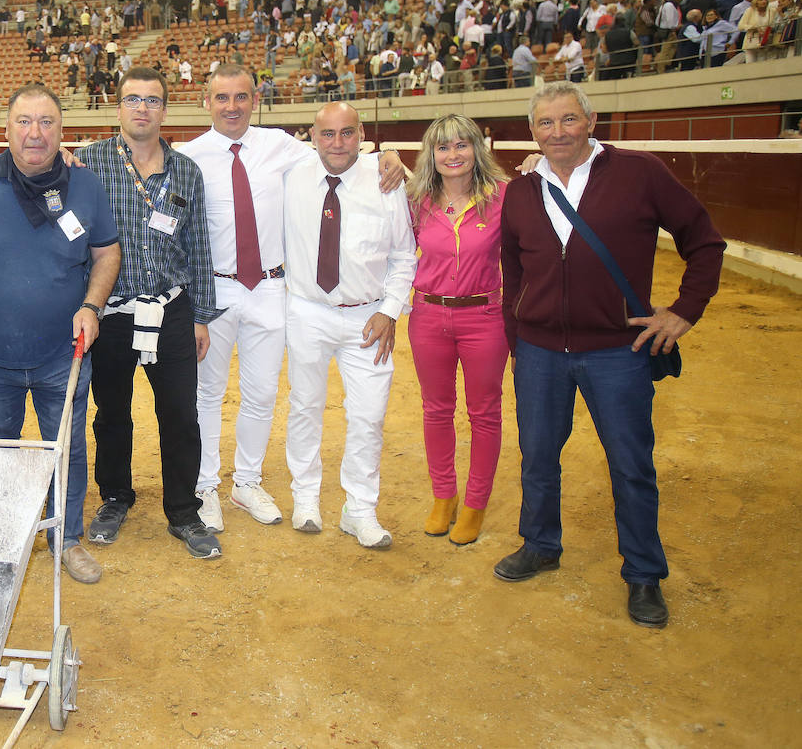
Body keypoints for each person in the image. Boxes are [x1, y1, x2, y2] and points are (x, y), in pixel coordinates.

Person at [495, 82, 725, 628]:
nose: (558, 132)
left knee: (630, 466)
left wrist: (684, 311)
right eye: (546, 124)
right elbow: (514, 272)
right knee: (538, 456)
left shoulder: (639, 173)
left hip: (618, 351)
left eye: (568, 120)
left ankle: (644, 575)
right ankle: (541, 544)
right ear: (533, 131)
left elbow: (704, 240)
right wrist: (518, 342)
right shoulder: (523, 190)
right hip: (540, 352)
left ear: (591, 120)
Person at [177, 65, 407, 533]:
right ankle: (204, 487)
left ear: (255, 99)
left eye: (241, 97)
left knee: (262, 393)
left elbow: (339, 154)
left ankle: (246, 481)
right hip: (213, 287)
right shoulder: (188, 156)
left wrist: (389, 154)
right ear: (206, 101)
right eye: (222, 98)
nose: (232, 106)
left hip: (269, 287)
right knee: (206, 393)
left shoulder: (281, 145)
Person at [0, 84, 121, 585]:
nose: (34, 133)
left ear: (62, 131)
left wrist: (92, 307)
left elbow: (107, 253)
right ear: (7, 129)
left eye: (45, 122)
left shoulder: (86, 186)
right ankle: (1, 537)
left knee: (66, 447)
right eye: (24, 122)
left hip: (64, 352)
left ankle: (67, 538)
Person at [78, 67, 222, 560]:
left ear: (166, 108)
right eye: (133, 99)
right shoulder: (89, 164)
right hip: (111, 313)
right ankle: (115, 497)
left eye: (153, 100)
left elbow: (198, 246)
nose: (143, 108)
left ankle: (184, 510)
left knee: (181, 414)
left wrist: (201, 315)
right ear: (117, 107)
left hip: (171, 309)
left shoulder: (185, 171)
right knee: (111, 413)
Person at [281, 103, 416, 546]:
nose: (336, 143)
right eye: (327, 134)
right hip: (307, 310)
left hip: (368, 317)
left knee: (369, 416)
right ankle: (305, 495)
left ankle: (359, 508)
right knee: (305, 405)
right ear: (312, 136)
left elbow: (402, 255)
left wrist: (390, 310)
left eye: (346, 133)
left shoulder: (385, 180)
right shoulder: (292, 174)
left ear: (361, 135)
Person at [405, 115, 508, 545]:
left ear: (477, 149)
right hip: (428, 316)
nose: (453, 155)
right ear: (431, 153)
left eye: (461, 146)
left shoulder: (503, 197)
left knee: (484, 413)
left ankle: (475, 503)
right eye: (443, 147)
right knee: (436, 409)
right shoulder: (414, 200)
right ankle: (443, 496)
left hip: (484, 318)